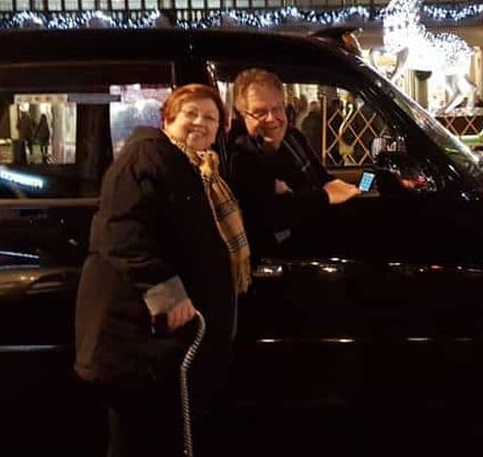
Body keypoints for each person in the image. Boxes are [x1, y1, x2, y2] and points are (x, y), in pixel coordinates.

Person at [75, 84, 249, 457]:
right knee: (137, 440)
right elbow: (120, 232)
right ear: (168, 116)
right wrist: (168, 294)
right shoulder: (147, 156)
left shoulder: (200, 169)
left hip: (160, 347)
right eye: (191, 114)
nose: (200, 123)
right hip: (136, 341)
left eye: (211, 118)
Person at [228, 68, 360, 253]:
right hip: (286, 257)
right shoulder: (237, 155)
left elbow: (321, 178)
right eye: (260, 112)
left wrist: (340, 188)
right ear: (242, 115)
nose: (272, 119)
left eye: (277, 108)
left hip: (320, 239)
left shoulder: (293, 137)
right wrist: (324, 196)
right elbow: (268, 215)